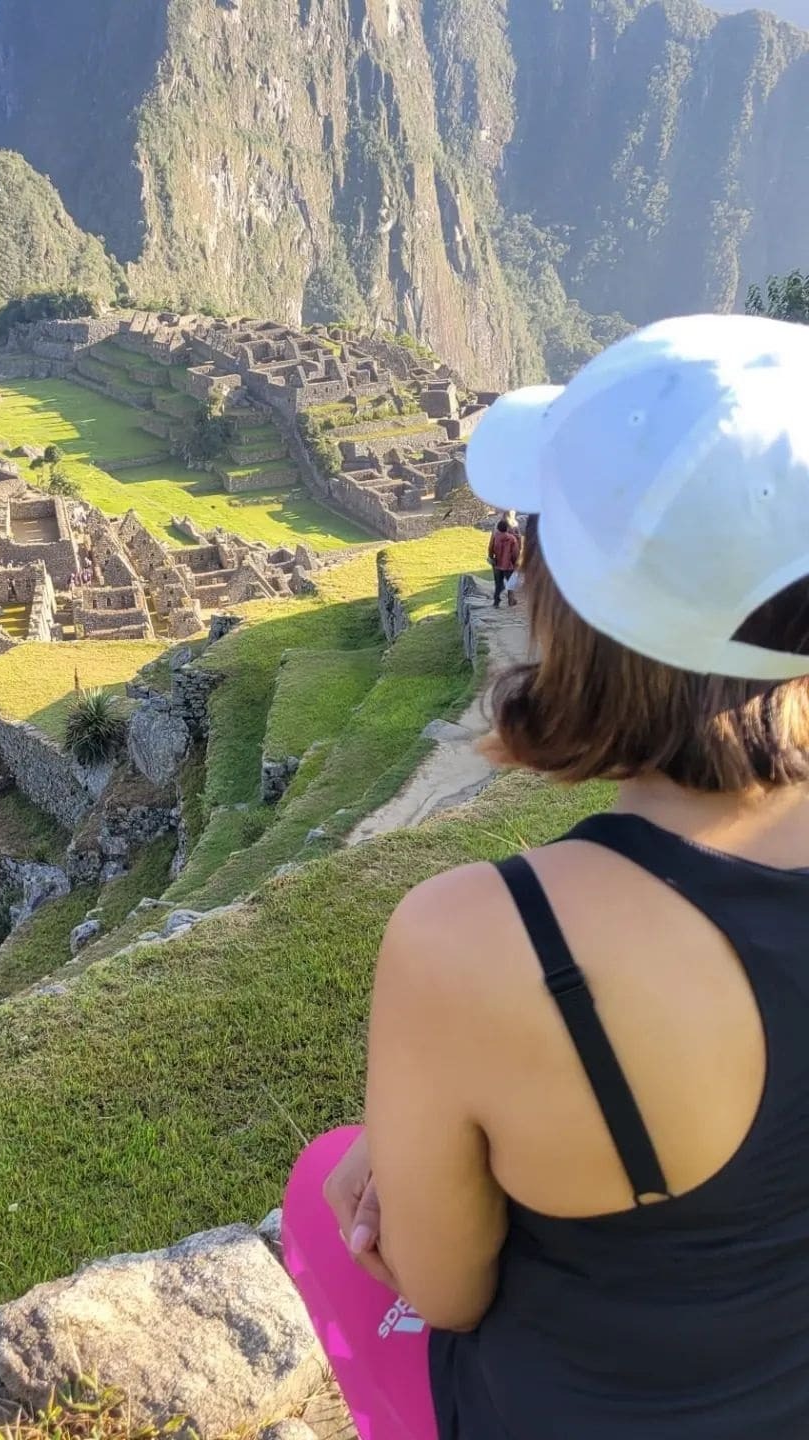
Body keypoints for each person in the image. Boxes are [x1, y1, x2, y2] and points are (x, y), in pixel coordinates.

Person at [314, 313, 809, 1438]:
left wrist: (400, 1160)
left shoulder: (484, 939)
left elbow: (441, 1291)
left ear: (564, 607)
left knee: (323, 1185)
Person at [488, 518, 521, 608]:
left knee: (498, 584)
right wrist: (515, 564)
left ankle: (496, 602)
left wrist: (491, 557)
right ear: (507, 528)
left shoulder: (495, 536)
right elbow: (515, 553)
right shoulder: (512, 539)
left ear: (498, 528)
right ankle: (511, 600)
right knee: (511, 584)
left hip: (497, 565)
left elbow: (490, 548)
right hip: (509, 566)